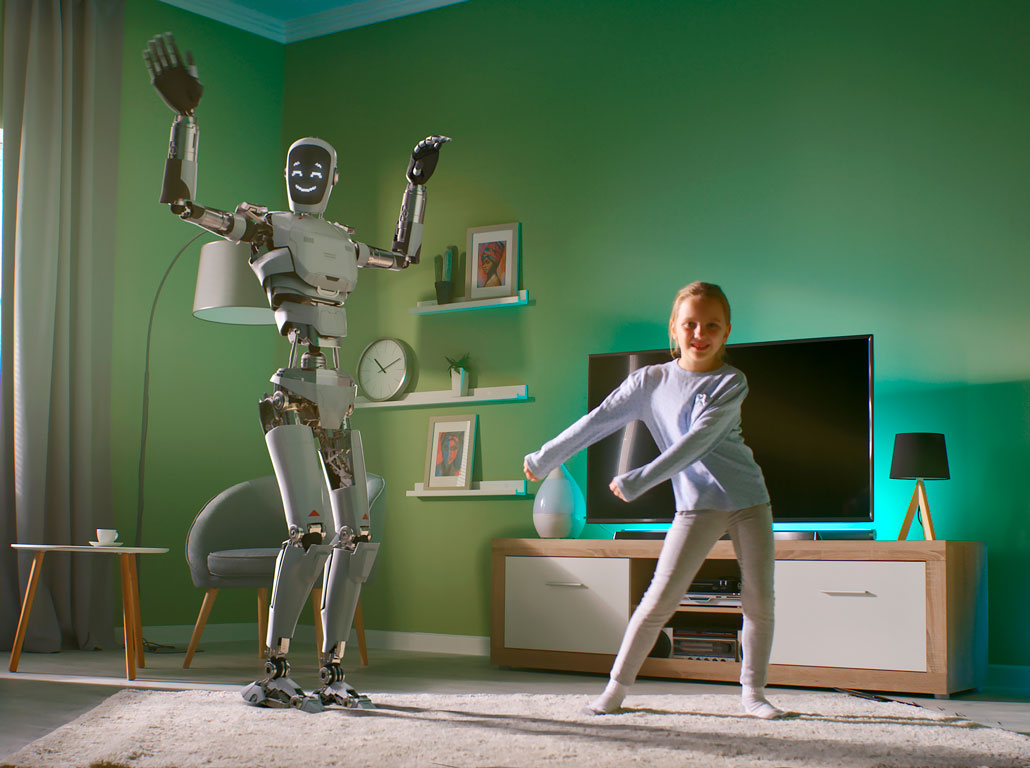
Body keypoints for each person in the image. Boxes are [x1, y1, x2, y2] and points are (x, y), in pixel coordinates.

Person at [523, 282, 785, 720]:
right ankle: (615, 690)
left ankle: (753, 694)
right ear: (674, 328)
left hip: (748, 501)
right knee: (658, 600)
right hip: (696, 505)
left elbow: (698, 441)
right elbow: (598, 421)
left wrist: (640, 479)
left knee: (759, 600)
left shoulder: (730, 381)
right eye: (690, 324)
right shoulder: (650, 381)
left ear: (727, 332)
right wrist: (545, 455)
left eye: (712, 326)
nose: (700, 333)